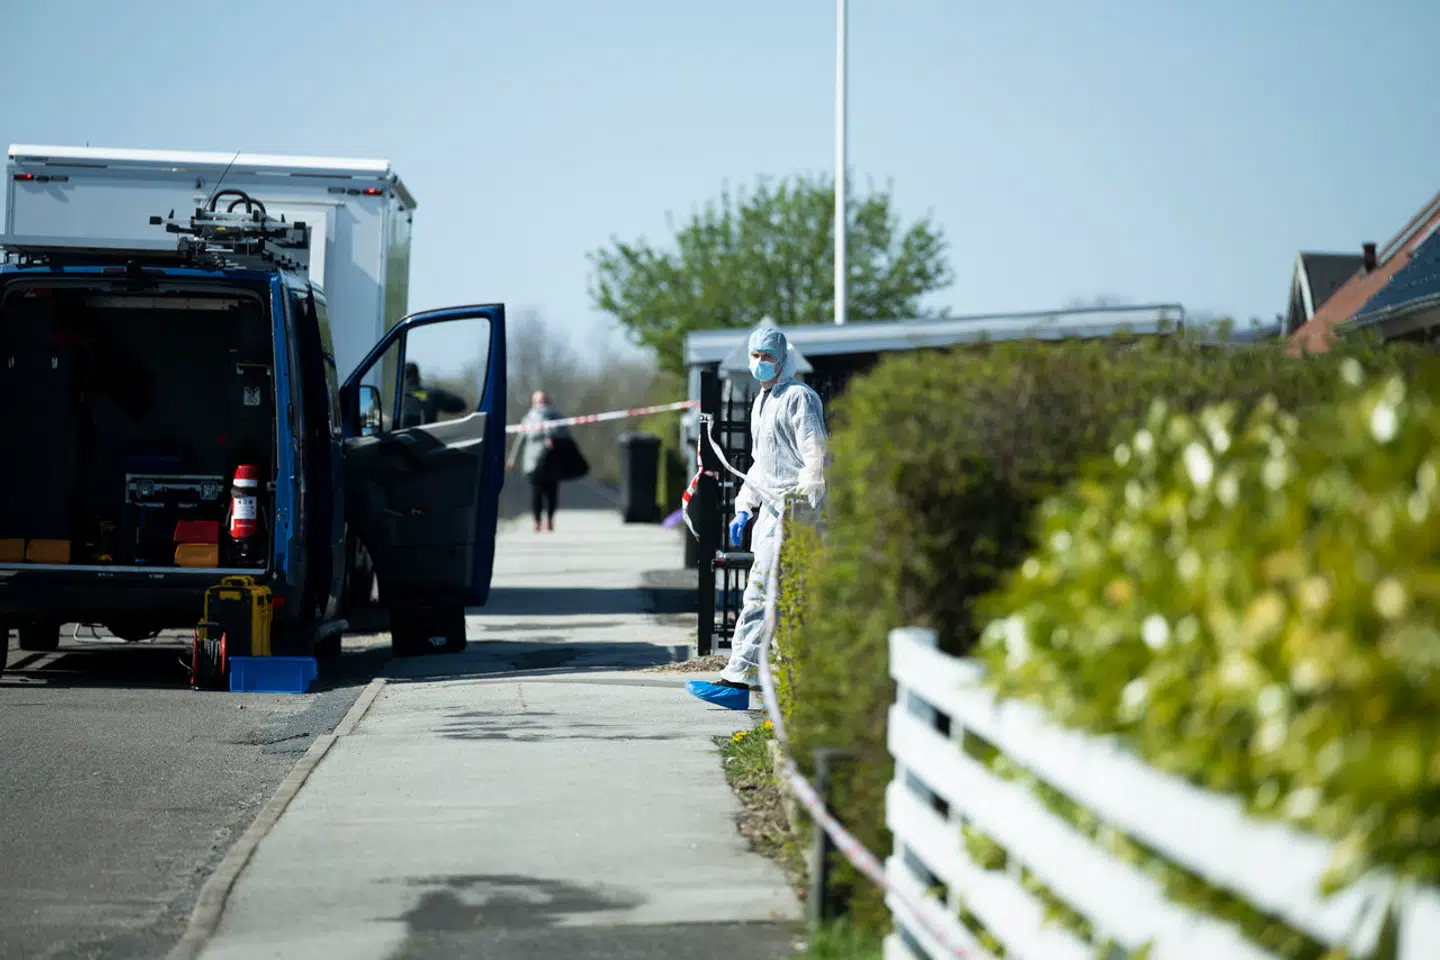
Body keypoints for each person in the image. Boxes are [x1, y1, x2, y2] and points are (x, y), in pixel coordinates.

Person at [687, 327, 827, 710]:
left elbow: (815, 454)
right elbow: (761, 466)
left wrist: (806, 499)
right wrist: (745, 507)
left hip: (794, 513)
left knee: (761, 595)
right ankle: (787, 681)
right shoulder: (762, 402)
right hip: (772, 510)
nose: (759, 363)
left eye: (767, 356)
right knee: (781, 600)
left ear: (783, 359)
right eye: (755, 356)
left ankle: (737, 680)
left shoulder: (799, 397)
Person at [506, 390, 569, 533]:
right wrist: (512, 459)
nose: (541, 404)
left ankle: (550, 519)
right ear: (533, 403)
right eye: (538, 401)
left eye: (543, 400)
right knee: (536, 493)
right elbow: (520, 440)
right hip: (533, 463)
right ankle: (537, 521)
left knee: (552, 493)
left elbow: (566, 436)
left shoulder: (557, 416)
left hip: (553, 462)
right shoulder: (528, 419)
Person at [399, 362, 468, 428]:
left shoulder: (396, 397)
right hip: (426, 437)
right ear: (418, 377)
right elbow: (460, 404)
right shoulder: (429, 394)